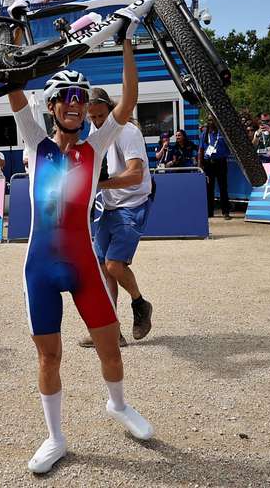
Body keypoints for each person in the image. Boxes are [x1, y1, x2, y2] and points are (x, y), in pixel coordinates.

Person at [8, 9, 153, 474]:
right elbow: (14, 83)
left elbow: (127, 102)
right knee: (50, 355)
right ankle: (55, 439)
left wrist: (127, 40)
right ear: (52, 105)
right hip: (40, 268)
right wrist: (14, 28)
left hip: (83, 263)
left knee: (110, 348)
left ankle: (118, 405)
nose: (75, 103)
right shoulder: (34, 143)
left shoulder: (94, 146)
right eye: (66, 97)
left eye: (81, 97)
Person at [80, 86, 154, 349]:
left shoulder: (128, 131)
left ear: (111, 109)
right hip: (110, 207)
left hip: (132, 205)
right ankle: (112, 332)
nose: (97, 122)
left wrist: (99, 185)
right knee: (102, 268)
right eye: (93, 118)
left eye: (101, 116)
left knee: (113, 266)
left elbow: (135, 175)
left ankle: (140, 303)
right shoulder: (95, 130)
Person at [198, 118, 231, 219]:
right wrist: (200, 164)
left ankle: (225, 212)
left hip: (220, 162)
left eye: (212, 120)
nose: (211, 122)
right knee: (209, 188)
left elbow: (229, 147)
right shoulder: (205, 133)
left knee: (223, 187)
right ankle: (209, 212)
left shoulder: (222, 133)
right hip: (208, 163)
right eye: (209, 120)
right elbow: (201, 149)